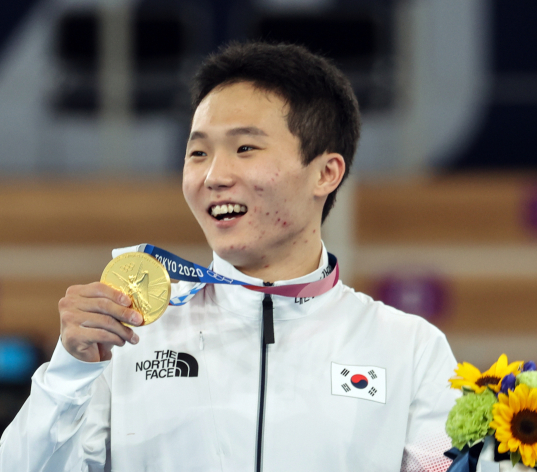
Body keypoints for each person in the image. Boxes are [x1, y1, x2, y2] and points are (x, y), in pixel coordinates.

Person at [0, 42, 458, 471]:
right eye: (198, 152)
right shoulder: (128, 333)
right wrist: (70, 370)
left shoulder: (411, 350)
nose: (214, 175)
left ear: (325, 173)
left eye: (245, 148)